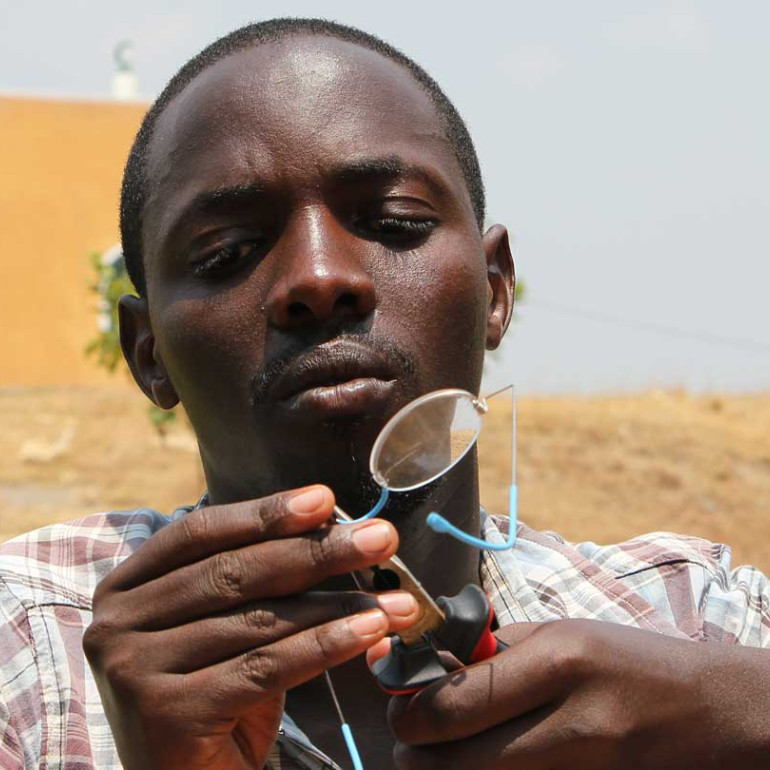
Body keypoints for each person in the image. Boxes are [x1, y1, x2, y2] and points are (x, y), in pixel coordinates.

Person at [1, 17, 769, 770]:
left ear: (495, 290)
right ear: (149, 353)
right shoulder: (29, 653)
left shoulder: (695, 623)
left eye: (395, 223)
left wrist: (736, 723)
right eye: (229, 251)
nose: (319, 277)